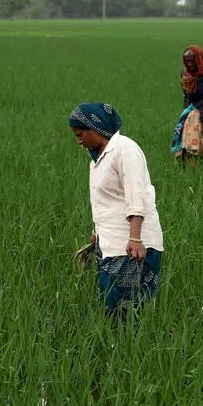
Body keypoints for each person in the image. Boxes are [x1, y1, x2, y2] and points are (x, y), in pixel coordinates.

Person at [69, 103, 165, 318]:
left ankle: (136, 349)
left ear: (96, 128)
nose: (79, 140)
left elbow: (135, 195)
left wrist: (136, 238)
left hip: (132, 246)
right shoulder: (97, 161)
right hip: (112, 245)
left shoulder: (125, 149)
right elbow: (108, 201)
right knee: (111, 308)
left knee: (130, 313)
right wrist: (98, 233)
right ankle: (119, 349)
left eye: (80, 134)